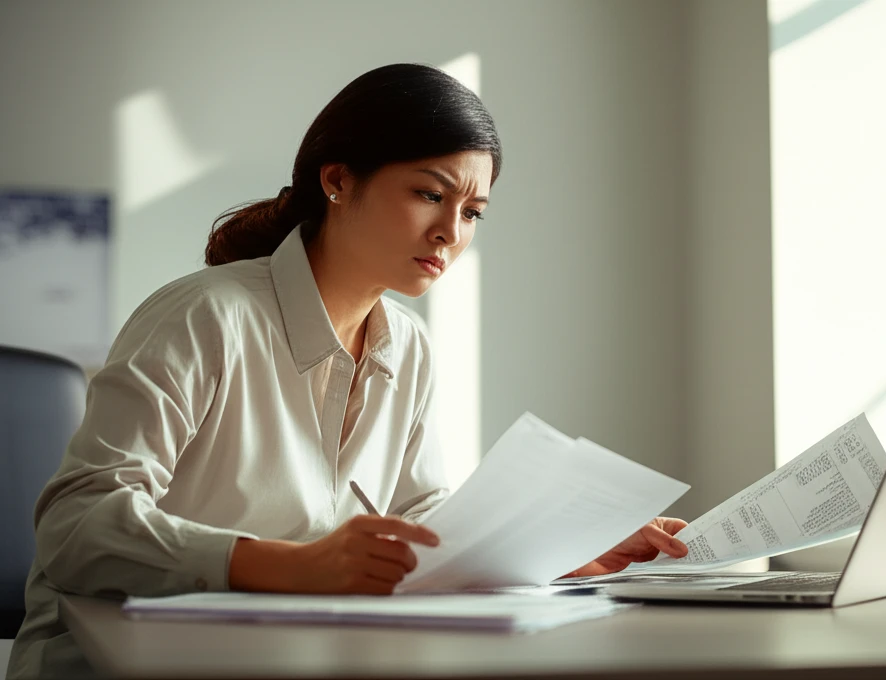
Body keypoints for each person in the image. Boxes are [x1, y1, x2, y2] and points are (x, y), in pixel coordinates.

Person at [6, 63, 688, 680]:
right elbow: (76, 526)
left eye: (473, 212)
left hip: (289, 657)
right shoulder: (204, 315)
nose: (451, 231)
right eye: (429, 194)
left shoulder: (408, 346)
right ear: (337, 181)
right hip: (123, 662)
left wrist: (559, 546)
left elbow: (423, 524)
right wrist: (289, 564)